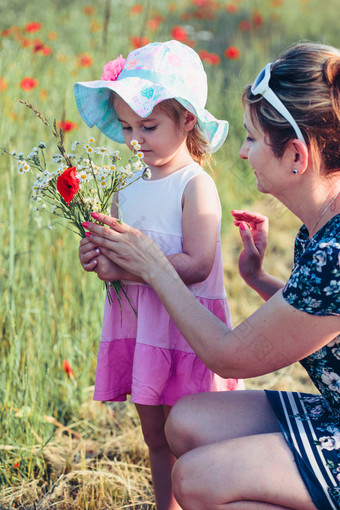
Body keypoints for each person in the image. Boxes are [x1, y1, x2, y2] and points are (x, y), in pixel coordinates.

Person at [80, 41, 340, 509]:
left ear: (296, 155)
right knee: (185, 422)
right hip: (333, 412)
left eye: (253, 138)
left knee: (197, 480)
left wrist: (150, 263)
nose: (241, 152)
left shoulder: (334, 249)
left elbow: (232, 358)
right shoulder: (318, 233)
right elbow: (322, 316)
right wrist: (260, 280)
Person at [75, 40, 243, 510]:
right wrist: (101, 262)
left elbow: (199, 262)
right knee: (154, 436)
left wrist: (138, 263)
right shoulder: (126, 184)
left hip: (186, 328)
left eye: (149, 126)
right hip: (142, 325)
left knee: (188, 430)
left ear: (188, 119)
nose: (135, 140)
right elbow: (119, 263)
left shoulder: (195, 185)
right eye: (126, 127)